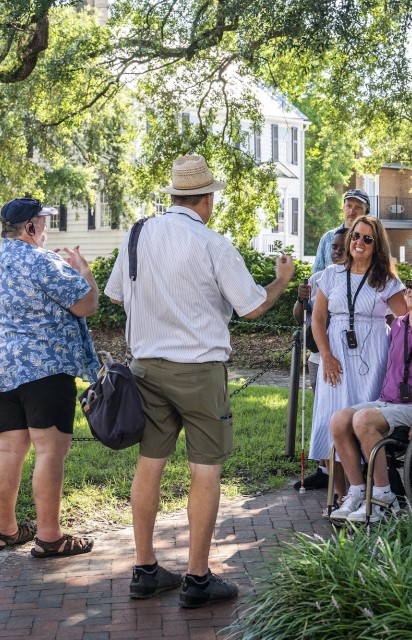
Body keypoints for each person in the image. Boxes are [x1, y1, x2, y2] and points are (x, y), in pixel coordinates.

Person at [105, 155, 295, 607]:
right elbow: (251, 307)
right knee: (205, 470)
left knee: (149, 464)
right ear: (206, 199)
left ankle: (145, 568)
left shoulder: (137, 234)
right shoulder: (213, 243)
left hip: (145, 366)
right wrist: (282, 281)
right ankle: (196, 577)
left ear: (174, 196)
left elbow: (115, 296)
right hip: (199, 370)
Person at [329, 263, 412, 523]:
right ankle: (358, 491)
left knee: (363, 420)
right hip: (389, 402)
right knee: (339, 419)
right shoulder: (399, 325)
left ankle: (384, 497)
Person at [0, 197, 99, 557]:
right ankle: (50, 537)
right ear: (29, 227)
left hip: (3, 369)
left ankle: (6, 529)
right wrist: (83, 271)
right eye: (43, 223)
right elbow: (86, 304)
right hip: (45, 368)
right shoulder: (42, 261)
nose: (45, 229)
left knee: (8, 449)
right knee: (49, 450)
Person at [309, 215, 407, 501]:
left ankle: (374, 492)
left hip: (373, 355)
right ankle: (343, 497)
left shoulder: (386, 280)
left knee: (364, 423)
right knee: (330, 422)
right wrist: (326, 355)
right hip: (336, 357)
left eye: (367, 238)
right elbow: (318, 320)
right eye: (355, 236)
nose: (359, 242)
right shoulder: (331, 274)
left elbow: (406, 319)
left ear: (377, 245)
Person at [292, 227, 347, 490]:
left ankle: (348, 469)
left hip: (345, 354)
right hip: (318, 355)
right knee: (323, 413)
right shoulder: (318, 277)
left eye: (341, 247)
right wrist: (301, 300)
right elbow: (299, 315)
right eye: (333, 247)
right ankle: (325, 470)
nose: (336, 251)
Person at [312, 189, 370, 273]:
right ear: (343, 207)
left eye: (358, 207)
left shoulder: (370, 241)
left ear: (366, 211)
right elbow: (316, 275)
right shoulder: (328, 238)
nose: (352, 211)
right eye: (349, 206)